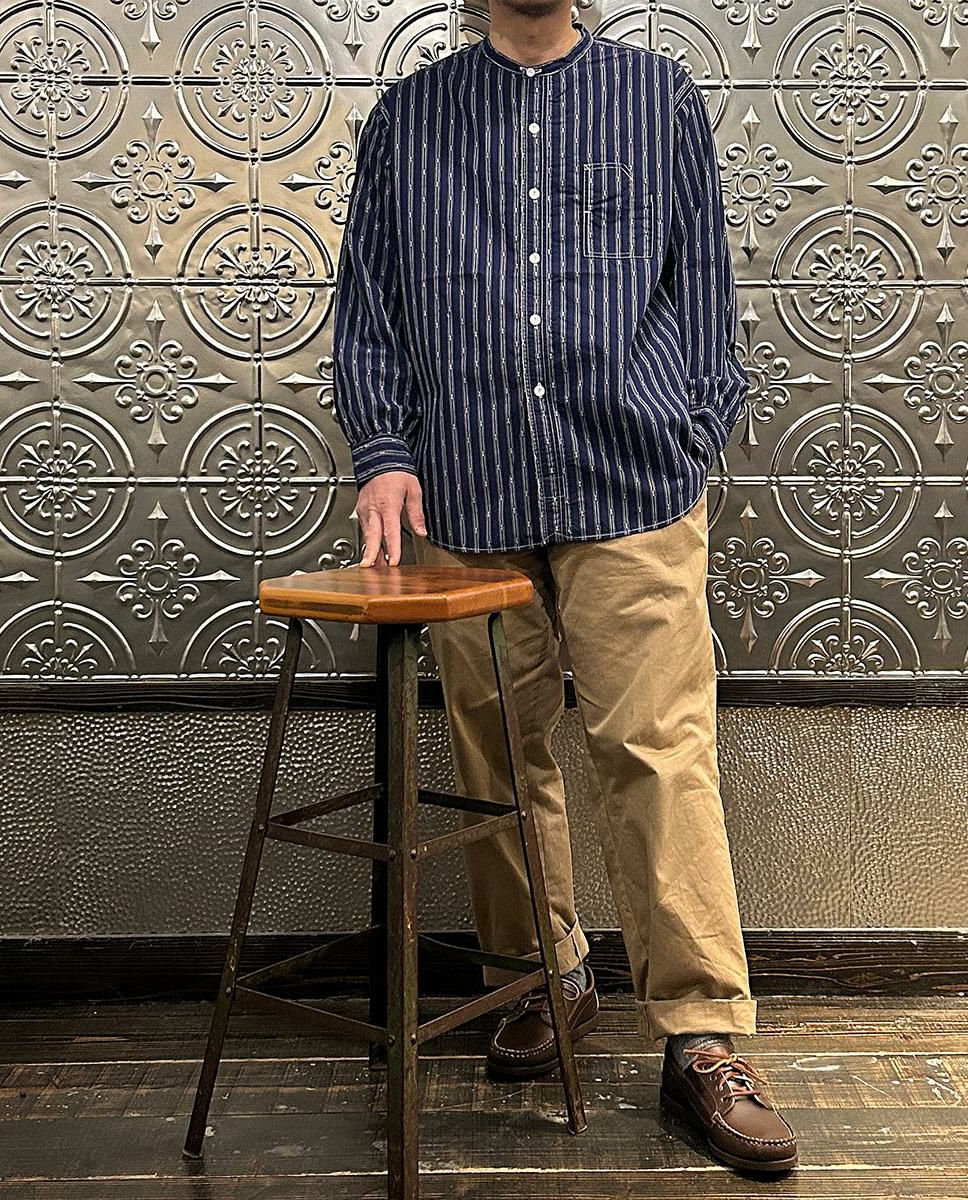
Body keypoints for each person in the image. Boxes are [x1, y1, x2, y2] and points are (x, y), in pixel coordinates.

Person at [331, 0, 798, 1174]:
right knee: (494, 756)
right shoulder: (409, 120)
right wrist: (383, 450)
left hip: (632, 485)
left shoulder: (658, 98)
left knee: (657, 747)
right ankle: (544, 978)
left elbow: (703, 286)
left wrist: (691, 434)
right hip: (467, 491)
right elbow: (372, 302)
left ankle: (701, 1036)